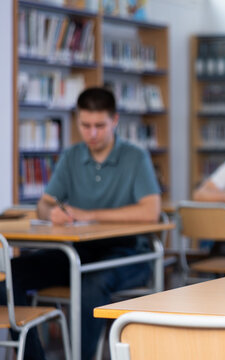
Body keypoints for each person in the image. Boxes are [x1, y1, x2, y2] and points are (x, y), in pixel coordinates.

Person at [7, 87, 161, 360]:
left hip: (129, 253)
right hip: (78, 251)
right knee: (11, 273)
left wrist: (89, 215)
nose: (92, 133)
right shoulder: (71, 156)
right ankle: (32, 356)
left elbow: (151, 211)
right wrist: (50, 212)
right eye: (85, 125)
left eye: (99, 126)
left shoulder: (135, 157)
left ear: (115, 121)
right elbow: (44, 203)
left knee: (90, 282)